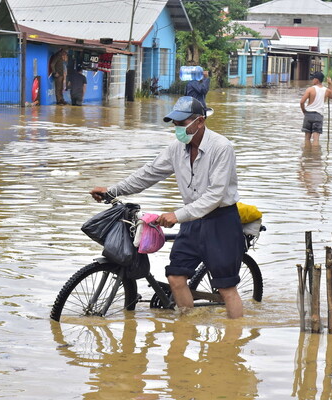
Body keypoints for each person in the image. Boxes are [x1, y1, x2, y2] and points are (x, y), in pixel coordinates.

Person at [90, 96, 245, 319]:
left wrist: (177, 215)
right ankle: (186, 327)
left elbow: (215, 195)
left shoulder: (221, 147)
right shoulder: (176, 149)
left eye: (182, 124)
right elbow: (148, 174)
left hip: (221, 221)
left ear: (199, 122)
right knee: (175, 277)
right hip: (191, 220)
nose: (177, 128)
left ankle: (231, 345)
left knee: (226, 288)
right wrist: (113, 191)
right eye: (175, 124)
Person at [299, 71, 332, 144]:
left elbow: (302, 102)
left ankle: (307, 153)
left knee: (307, 139)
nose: (312, 80)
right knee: (316, 139)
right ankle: (315, 154)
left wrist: (304, 112)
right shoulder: (326, 90)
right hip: (318, 115)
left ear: (317, 80)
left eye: (313, 79)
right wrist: (330, 84)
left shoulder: (310, 89)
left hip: (308, 114)